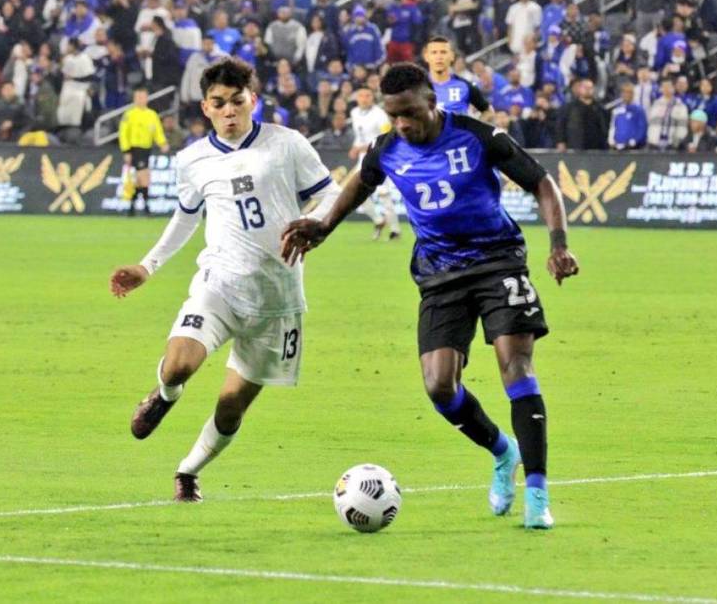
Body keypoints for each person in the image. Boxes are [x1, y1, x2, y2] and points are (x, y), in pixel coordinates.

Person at [280, 63, 580, 530]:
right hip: (439, 275)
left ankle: (538, 495)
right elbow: (359, 183)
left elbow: (542, 182)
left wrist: (558, 245)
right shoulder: (388, 149)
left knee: (516, 367)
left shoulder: (477, 137)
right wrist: (323, 225)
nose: (402, 123)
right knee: (439, 385)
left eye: (410, 113)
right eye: (393, 115)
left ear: (432, 103)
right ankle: (504, 453)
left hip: (498, 262)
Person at [110, 58, 341, 502]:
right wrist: (146, 266)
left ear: (253, 100)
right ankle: (164, 395)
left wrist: (315, 223)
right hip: (219, 285)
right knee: (178, 365)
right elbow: (185, 217)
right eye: (219, 103)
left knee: (232, 405)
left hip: (278, 298)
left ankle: (188, 471)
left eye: (238, 101)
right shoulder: (193, 160)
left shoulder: (287, 144)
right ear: (206, 108)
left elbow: (330, 194)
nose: (230, 110)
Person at [349, 87, 400, 240]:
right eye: (361, 95)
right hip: (363, 158)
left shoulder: (380, 115)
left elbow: (387, 136)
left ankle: (395, 230)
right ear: (357, 98)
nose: (364, 99)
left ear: (373, 97)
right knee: (355, 193)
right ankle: (378, 220)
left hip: (379, 156)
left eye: (368, 95)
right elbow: (360, 136)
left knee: (383, 193)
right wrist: (355, 147)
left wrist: (364, 147)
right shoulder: (354, 113)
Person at [119, 87, 169, 216]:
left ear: (147, 99)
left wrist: (162, 143)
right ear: (134, 99)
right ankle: (145, 207)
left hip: (146, 149)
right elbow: (123, 134)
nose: (140, 100)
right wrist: (126, 151)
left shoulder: (152, 115)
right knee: (144, 177)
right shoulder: (129, 114)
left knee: (140, 179)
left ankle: (132, 208)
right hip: (134, 149)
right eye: (138, 97)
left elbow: (157, 131)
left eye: (142, 97)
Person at [423, 36, 493, 121]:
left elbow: (488, 111)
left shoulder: (465, 85)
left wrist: (475, 127)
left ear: (452, 56)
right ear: (426, 56)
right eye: (434, 52)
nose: (439, 57)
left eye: (443, 52)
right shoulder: (418, 87)